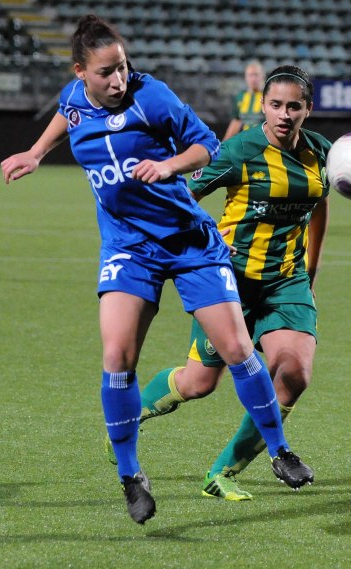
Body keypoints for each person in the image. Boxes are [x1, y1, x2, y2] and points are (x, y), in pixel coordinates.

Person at [0, 17, 312, 524]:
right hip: (129, 247)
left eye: (123, 67)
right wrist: (36, 153)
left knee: (236, 349)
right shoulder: (76, 96)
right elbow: (66, 112)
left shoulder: (153, 96)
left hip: (189, 241)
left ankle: (279, 451)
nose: (119, 79)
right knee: (117, 355)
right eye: (106, 72)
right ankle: (130, 475)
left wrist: (169, 167)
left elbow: (206, 145)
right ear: (82, 72)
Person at [107, 65, 329, 501]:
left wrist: (312, 272)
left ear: (308, 109)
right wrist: (205, 237)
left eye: (294, 106)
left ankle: (222, 472)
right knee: (198, 384)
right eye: (276, 105)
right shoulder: (238, 150)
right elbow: (182, 195)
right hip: (231, 285)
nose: (285, 114)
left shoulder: (321, 151)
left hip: (288, 282)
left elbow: (319, 206)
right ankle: (126, 421)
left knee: (295, 373)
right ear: (263, 106)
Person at [222, 60, 266, 141]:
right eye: (250, 75)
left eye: (256, 75)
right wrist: (224, 144)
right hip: (246, 142)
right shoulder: (240, 96)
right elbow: (236, 121)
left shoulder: (268, 96)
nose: (253, 79)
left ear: (262, 76)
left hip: (263, 142)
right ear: (245, 77)